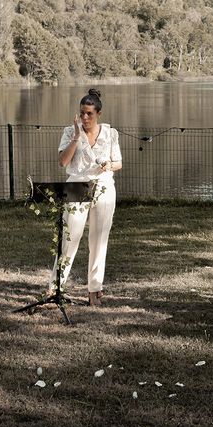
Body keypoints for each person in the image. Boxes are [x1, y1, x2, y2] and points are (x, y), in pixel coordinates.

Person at [47, 89, 122, 306]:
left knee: (99, 240)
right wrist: (76, 138)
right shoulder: (71, 131)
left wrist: (109, 165)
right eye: (82, 113)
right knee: (70, 238)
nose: (85, 118)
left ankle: (94, 289)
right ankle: (56, 287)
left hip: (104, 186)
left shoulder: (111, 134)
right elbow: (63, 162)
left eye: (89, 113)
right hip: (77, 185)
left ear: (99, 113)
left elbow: (118, 163)